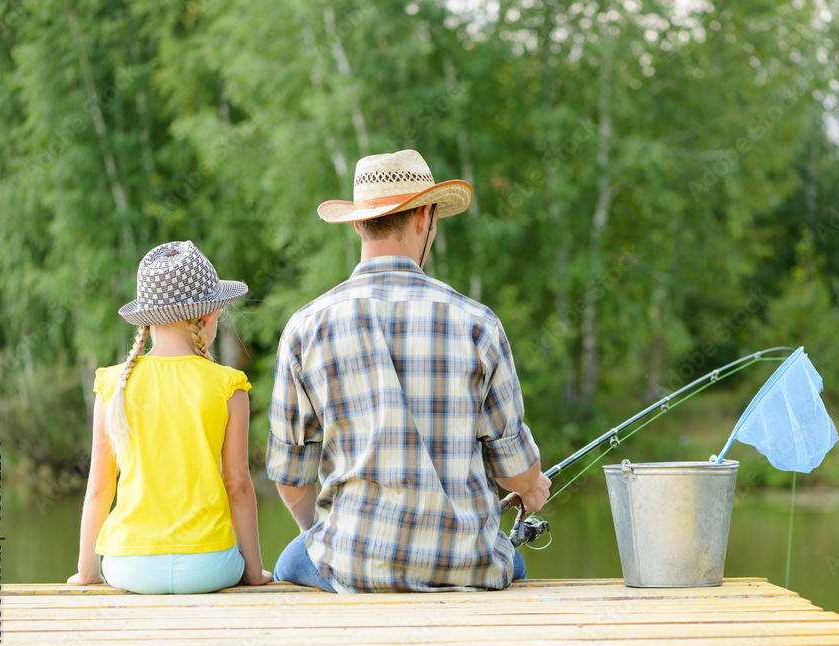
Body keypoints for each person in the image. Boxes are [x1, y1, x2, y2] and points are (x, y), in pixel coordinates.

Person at [267, 149, 551, 593]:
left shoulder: (306, 327)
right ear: (425, 218)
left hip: (352, 564)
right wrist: (532, 484)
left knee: (292, 557)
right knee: (513, 563)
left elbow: (290, 477)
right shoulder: (478, 324)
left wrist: (322, 535)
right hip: (467, 563)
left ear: (359, 222)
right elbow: (514, 473)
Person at [68, 241, 272, 594]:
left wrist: (87, 572)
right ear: (207, 318)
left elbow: (100, 488)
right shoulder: (228, 386)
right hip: (209, 566)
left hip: (128, 567)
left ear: (147, 321)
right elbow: (237, 486)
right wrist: (254, 571)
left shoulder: (114, 384)